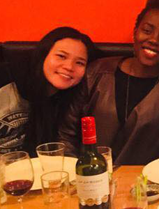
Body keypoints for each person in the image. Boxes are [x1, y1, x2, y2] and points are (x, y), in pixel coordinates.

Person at [59, 0, 159, 165]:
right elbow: (67, 134)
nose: (154, 40)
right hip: (86, 180)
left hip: (145, 185)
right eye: (147, 30)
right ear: (135, 32)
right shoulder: (96, 73)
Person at [0, 27, 95, 155]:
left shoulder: (72, 104)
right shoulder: (6, 78)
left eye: (80, 63)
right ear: (44, 54)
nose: (69, 67)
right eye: (61, 56)